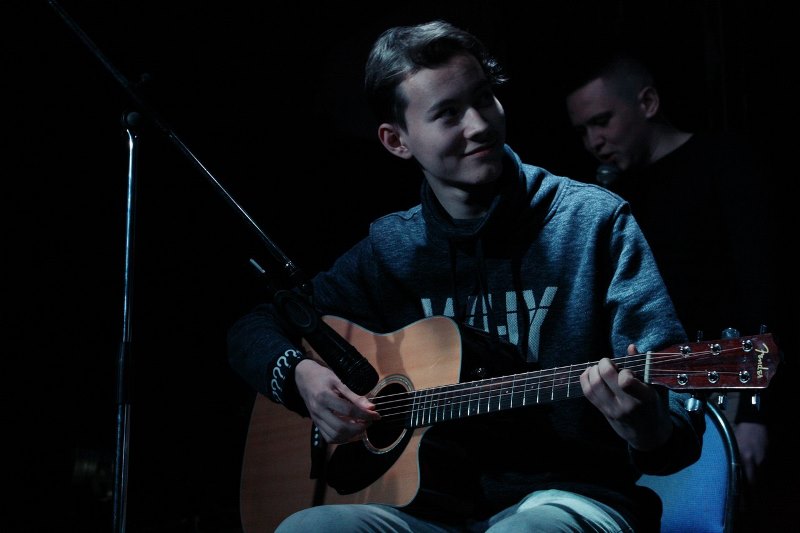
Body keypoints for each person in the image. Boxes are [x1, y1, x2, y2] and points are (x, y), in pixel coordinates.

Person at [228, 20, 705, 532]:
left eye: (483, 99)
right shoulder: (389, 251)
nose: (479, 125)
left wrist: (649, 427)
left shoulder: (593, 222)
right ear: (397, 141)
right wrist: (301, 377)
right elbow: (253, 329)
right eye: (448, 113)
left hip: (576, 497)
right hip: (430, 510)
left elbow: (677, 425)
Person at [563, 49, 784, 527]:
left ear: (647, 103)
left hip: (732, 388)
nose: (594, 141)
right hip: (658, 405)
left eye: (602, 121)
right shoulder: (610, 202)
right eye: (582, 131)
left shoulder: (724, 163)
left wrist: (754, 412)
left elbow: (761, 289)